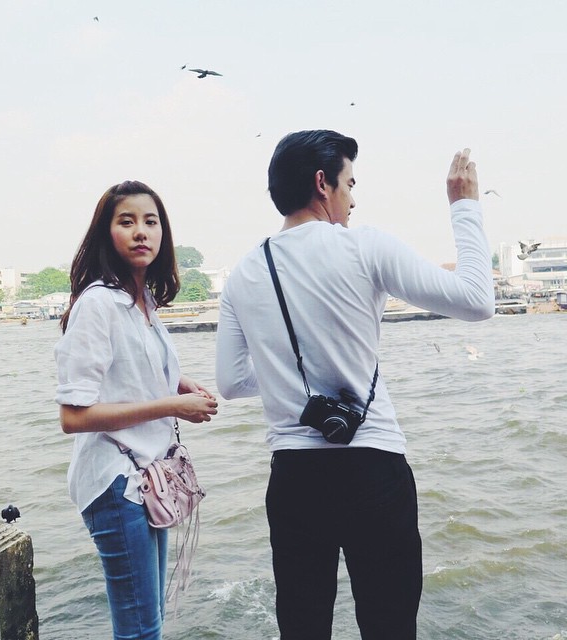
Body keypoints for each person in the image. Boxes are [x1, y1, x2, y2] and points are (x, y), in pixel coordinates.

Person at [215, 130, 494, 640]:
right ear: (322, 183)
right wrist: (464, 206)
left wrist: (286, 383)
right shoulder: (365, 246)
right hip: (373, 468)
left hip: (294, 476)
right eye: (350, 183)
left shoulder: (243, 273)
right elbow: (477, 300)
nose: (353, 198)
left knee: (303, 627)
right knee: (389, 626)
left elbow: (231, 383)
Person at [54, 180, 218, 640]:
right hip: (115, 482)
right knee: (142, 630)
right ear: (106, 234)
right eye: (126, 222)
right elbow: (74, 417)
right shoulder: (98, 303)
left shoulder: (142, 302)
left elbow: (125, 369)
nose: (141, 231)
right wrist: (173, 405)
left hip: (145, 476)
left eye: (151, 221)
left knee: (150, 623)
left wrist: (177, 380)